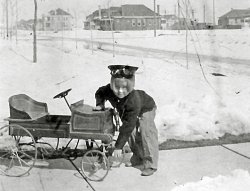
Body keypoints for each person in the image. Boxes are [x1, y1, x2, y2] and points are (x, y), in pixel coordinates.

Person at [94, 64, 159, 176]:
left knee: (146, 132)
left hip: (146, 108)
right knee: (131, 134)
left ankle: (151, 165)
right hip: (129, 113)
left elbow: (128, 124)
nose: (120, 91)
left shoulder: (133, 99)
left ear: (130, 86)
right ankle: (138, 158)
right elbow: (99, 92)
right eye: (117, 87)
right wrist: (100, 104)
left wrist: (118, 147)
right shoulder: (108, 90)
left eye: (124, 88)